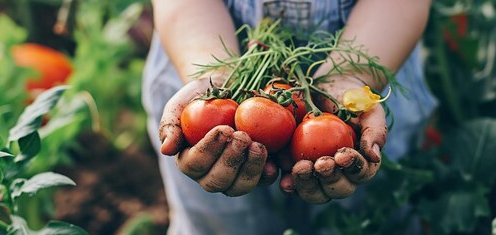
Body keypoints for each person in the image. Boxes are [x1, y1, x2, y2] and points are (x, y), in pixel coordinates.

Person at [142, 0, 437, 234]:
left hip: (375, 61)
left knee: (367, 221)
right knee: (222, 225)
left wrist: (351, 75)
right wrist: (212, 74)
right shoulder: (222, 100)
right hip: (196, 47)